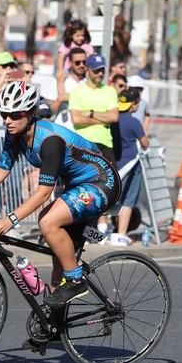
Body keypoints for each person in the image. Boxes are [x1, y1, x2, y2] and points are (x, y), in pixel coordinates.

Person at [0, 81, 121, 307]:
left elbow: (43, 194)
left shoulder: (50, 140)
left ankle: (77, 281)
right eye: (4, 114)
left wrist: (10, 219)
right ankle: (54, 325)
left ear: (31, 113)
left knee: (48, 221)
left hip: (102, 182)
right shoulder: (14, 135)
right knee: (56, 269)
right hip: (76, 184)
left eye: (15, 114)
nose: (7, 120)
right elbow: (1, 169)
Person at [69, 53, 119, 234]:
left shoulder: (110, 91)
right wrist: (100, 116)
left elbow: (113, 117)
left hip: (105, 144)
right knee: (85, 185)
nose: (100, 73)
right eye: (96, 70)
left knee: (107, 185)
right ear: (87, 70)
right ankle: (84, 226)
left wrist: (89, 113)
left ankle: (102, 227)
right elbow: (76, 119)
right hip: (84, 144)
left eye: (102, 70)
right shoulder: (78, 91)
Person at [110, 88, 148, 247]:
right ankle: (121, 234)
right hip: (131, 165)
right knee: (128, 199)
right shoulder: (134, 122)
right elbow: (145, 143)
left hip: (114, 164)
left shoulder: (112, 119)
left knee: (111, 199)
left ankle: (103, 229)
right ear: (134, 105)